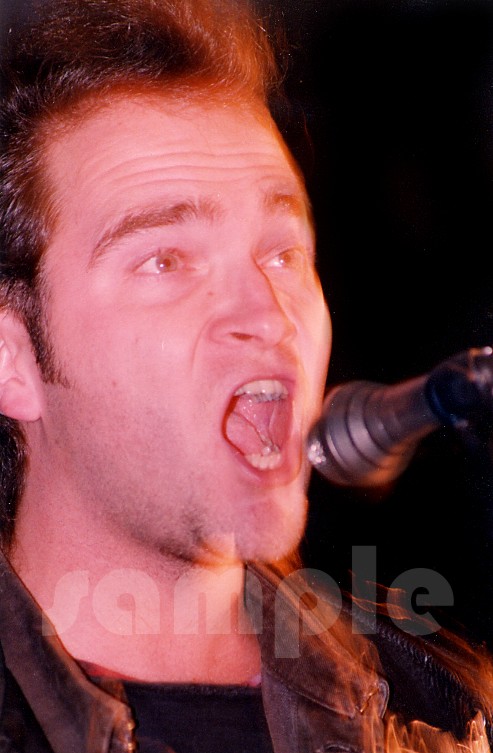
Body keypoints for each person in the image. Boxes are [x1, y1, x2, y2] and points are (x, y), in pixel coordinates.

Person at [0, 0, 491, 751]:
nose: (268, 314)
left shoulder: (446, 711)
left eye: (282, 253)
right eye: (166, 260)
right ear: (12, 359)